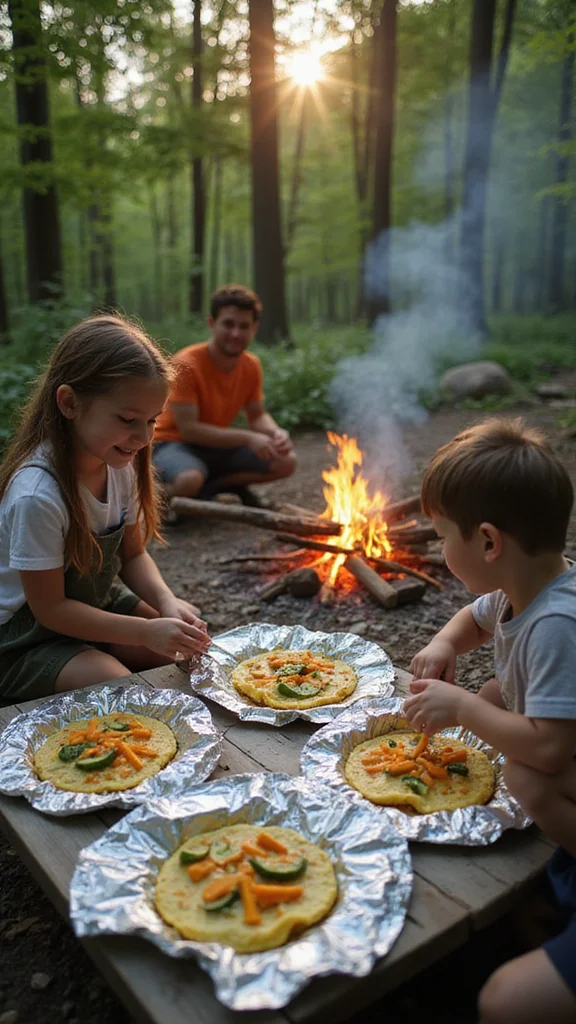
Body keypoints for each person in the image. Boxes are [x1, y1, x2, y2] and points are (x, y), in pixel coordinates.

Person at [402, 418, 576, 1024]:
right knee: (496, 688)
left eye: (440, 537)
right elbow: (473, 621)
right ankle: (542, 906)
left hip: (561, 766)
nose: (440, 552)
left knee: (502, 1002)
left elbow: (551, 752)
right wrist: (446, 644)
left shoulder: (557, 627)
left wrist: (466, 711)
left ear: (488, 541)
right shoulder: (521, 588)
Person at [0, 314, 209, 703]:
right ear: (69, 403)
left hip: (92, 605)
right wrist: (145, 632)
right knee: (118, 685)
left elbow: (133, 555)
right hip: (26, 639)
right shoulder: (37, 496)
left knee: (188, 649)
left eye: (152, 420)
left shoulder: (118, 466)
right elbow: (52, 609)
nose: (144, 438)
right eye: (128, 419)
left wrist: (167, 603)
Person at [152, 283, 296, 508]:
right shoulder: (187, 364)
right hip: (171, 443)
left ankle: (210, 489)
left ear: (254, 328)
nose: (236, 333)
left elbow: (257, 415)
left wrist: (275, 432)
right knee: (189, 479)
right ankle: (151, 499)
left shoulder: (251, 365)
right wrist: (248, 438)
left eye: (244, 326)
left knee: (285, 462)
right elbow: (189, 429)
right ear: (212, 323)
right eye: (228, 324)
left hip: (215, 447)